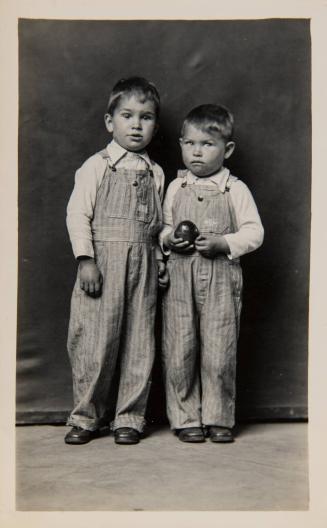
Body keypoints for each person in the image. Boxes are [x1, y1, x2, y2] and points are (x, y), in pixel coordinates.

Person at [65, 77, 168, 445]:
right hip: (103, 266)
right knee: (95, 340)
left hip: (142, 267)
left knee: (139, 341)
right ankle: (86, 416)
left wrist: (159, 259)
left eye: (146, 117)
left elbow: (157, 227)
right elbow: (78, 214)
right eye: (127, 116)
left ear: (156, 124)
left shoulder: (156, 173)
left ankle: (130, 416)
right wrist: (85, 259)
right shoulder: (96, 165)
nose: (137, 125)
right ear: (110, 122)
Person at [160, 104, 264, 443]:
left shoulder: (236, 189)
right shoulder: (176, 188)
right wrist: (169, 238)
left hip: (220, 280)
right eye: (190, 144)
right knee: (180, 350)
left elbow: (254, 233)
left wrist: (223, 242)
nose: (197, 152)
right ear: (181, 145)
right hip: (179, 279)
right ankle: (186, 417)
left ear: (227, 149)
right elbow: (162, 227)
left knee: (219, 351)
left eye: (207, 144)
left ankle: (219, 417)